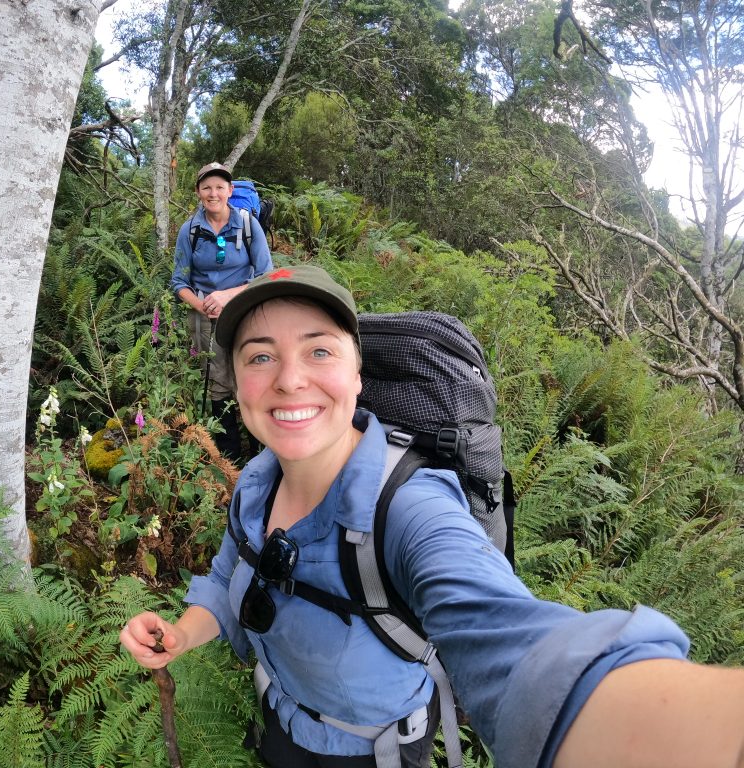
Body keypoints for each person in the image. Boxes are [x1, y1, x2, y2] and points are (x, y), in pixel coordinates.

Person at [122, 264, 744, 768]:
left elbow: (512, 638)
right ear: (235, 379)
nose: (288, 379)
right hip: (281, 724)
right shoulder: (257, 481)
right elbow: (233, 573)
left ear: (357, 375)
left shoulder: (410, 508)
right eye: (260, 357)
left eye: (318, 351)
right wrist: (184, 633)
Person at [172, 161, 273, 463]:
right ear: (198, 192)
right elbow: (178, 282)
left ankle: (261, 457)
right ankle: (229, 461)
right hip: (205, 318)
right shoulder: (189, 230)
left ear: (229, 190)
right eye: (207, 187)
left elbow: (267, 273)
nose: (213, 193)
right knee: (217, 384)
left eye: (219, 187)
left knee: (252, 377)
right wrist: (201, 305)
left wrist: (229, 295)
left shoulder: (246, 224)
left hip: (244, 311)